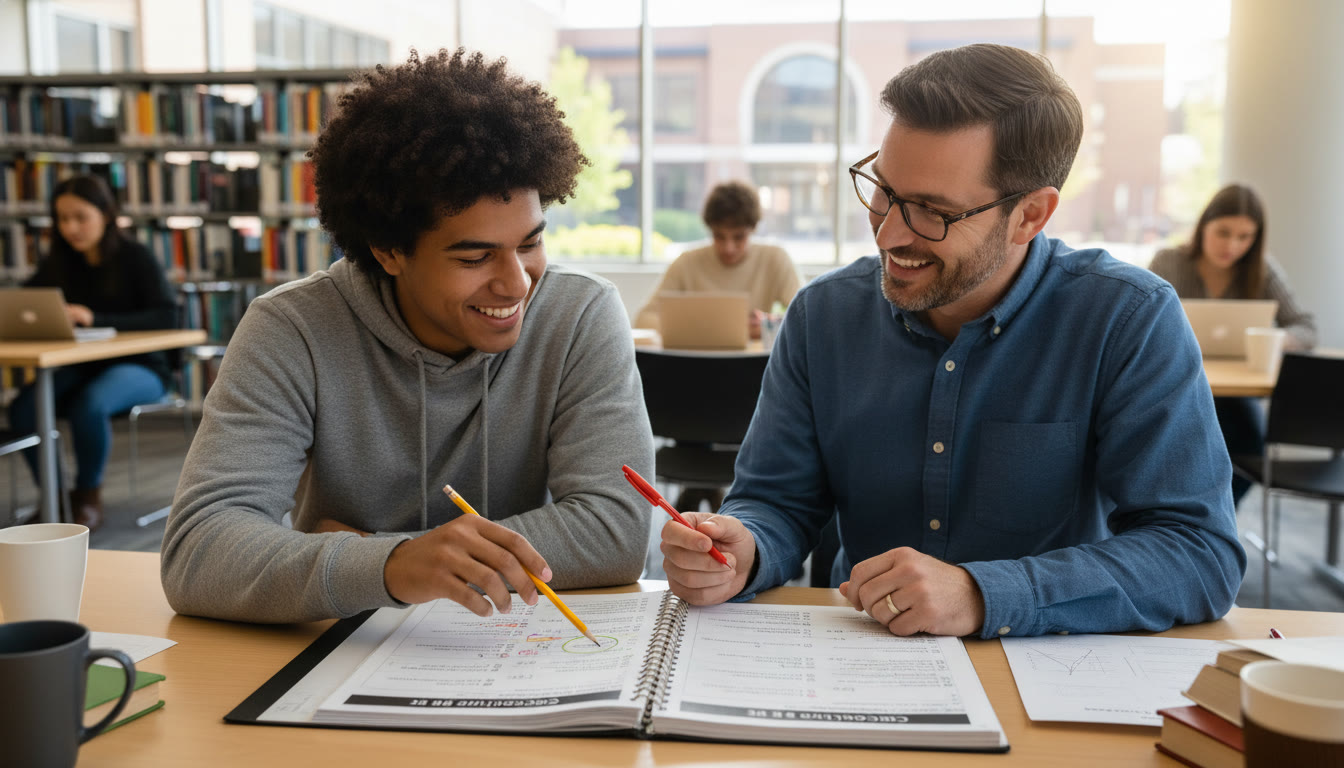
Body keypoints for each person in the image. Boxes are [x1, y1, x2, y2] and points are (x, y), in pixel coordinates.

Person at [658, 43, 1245, 639]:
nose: (888, 234)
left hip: (1045, 665)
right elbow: (776, 502)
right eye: (884, 190)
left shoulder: (1127, 319)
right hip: (857, 658)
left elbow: (1199, 552)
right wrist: (745, 547)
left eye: (932, 212)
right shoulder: (823, 316)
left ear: (1030, 216)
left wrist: (984, 594)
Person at [161, 49, 654, 624]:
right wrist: (394, 565)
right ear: (388, 251)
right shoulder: (290, 329)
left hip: (516, 642)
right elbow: (198, 553)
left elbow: (615, 531)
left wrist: (382, 553)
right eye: (474, 256)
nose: (517, 283)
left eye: (529, 243)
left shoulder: (580, 315)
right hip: (343, 652)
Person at [8, 175, 177, 532]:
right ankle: (56, 498)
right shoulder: (59, 261)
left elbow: (166, 315)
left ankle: (88, 497)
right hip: (82, 365)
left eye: (80, 217)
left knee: (91, 403)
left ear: (105, 214)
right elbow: (25, 303)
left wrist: (94, 318)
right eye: (62, 219)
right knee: (23, 408)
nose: (71, 228)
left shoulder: (135, 257)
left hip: (142, 366)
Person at [1149, 184, 1316, 506]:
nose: (1232, 245)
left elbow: (1306, 327)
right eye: (1223, 232)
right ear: (1203, 226)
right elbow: (1141, 320)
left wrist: (1276, 340)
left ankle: (1215, 514)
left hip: (1236, 394)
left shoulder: (1262, 270)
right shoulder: (1168, 261)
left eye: (1244, 237)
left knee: (1251, 445)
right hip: (1175, 382)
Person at [635, 180, 801, 340]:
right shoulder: (686, 262)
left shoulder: (775, 259)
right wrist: (698, 330)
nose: (728, 248)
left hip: (753, 364)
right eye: (719, 236)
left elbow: (805, 317)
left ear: (753, 229)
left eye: (739, 237)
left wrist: (768, 325)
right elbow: (643, 319)